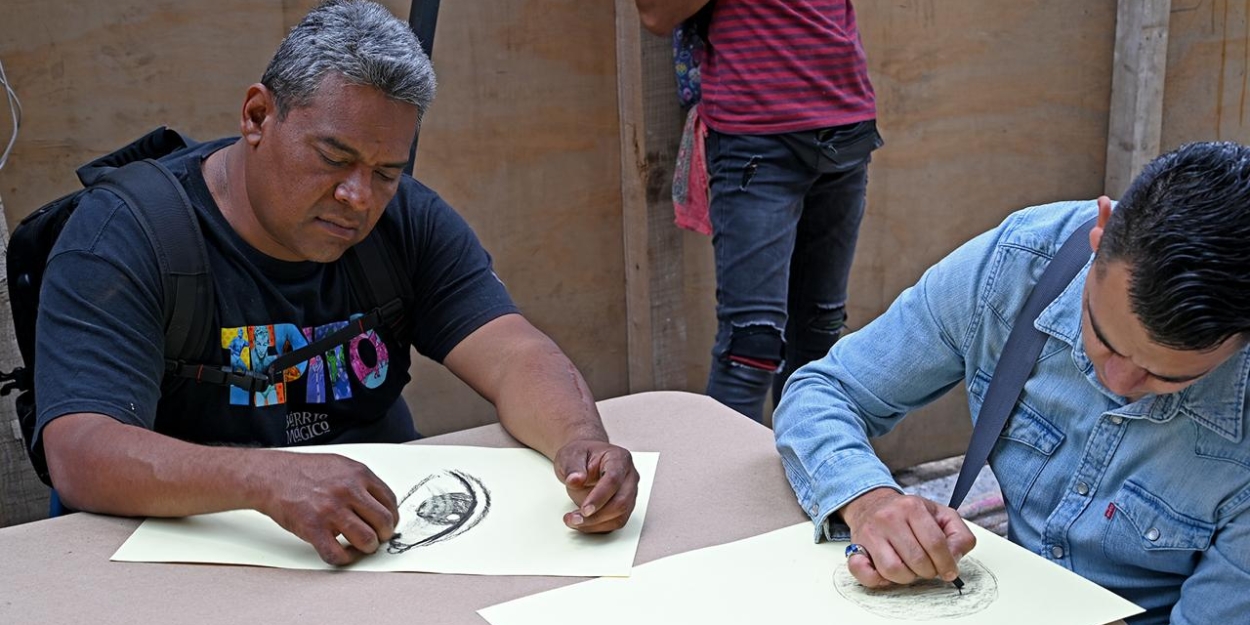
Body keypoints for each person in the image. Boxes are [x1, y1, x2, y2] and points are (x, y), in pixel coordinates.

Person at [33, 0, 639, 566]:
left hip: (385, 540)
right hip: (195, 548)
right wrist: (268, 479)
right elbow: (81, 450)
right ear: (257, 116)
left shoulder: (407, 221)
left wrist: (579, 444)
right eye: (332, 157)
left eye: (384, 172)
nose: (357, 197)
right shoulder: (126, 235)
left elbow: (513, 354)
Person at [774, 141, 1250, 624]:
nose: (1118, 381)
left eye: (1167, 374)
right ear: (1101, 233)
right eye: (1104, 337)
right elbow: (825, 390)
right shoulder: (1020, 265)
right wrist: (868, 499)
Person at [635, 0, 883, 422]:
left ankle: (812, 482)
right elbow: (656, 14)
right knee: (751, 347)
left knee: (820, 337)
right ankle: (721, 489)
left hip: (847, 124)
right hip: (756, 138)